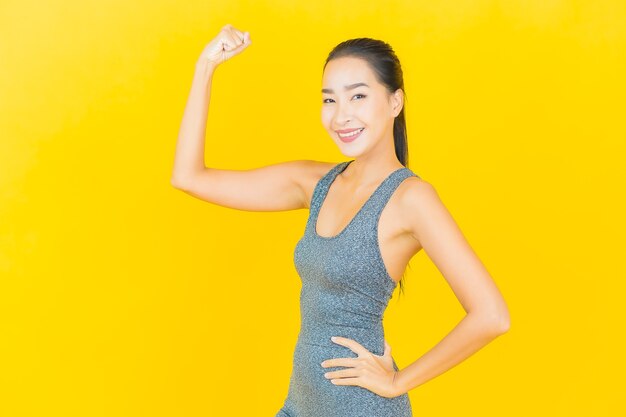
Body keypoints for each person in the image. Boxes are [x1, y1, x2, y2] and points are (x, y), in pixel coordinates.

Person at [171, 24, 510, 417]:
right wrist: (205, 67)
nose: (341, 115)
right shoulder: (315, 183)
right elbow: (188, 177)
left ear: (395, 102)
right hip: (299, 406)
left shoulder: (410, 199)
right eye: (329, 100)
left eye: (359, 96)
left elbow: (492, 315)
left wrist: (397, 382)